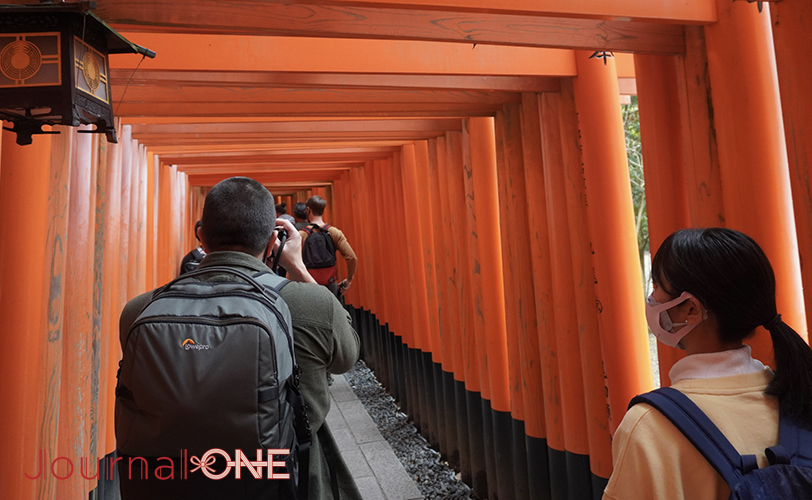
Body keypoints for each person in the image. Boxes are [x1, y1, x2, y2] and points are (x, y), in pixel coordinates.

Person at [118, 177, 362, 500]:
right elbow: (347, 354)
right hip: (283, 484)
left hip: (171, 485)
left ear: (201, 237)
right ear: (273, 239)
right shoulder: (312, 306)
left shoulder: (139, 311)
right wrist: (299, 268)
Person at [603, 227, 812, 499]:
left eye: (657, 287)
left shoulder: (649, 426)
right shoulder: (800, 396)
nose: (652, 298)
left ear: (691, 308)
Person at [299, 195, 358, 297]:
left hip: (308, 285)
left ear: (308, 210)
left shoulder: (301, 235)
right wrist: (349, 279)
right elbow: (351, 257)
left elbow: (293, 261)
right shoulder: (334, 232)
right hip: (330, 283)